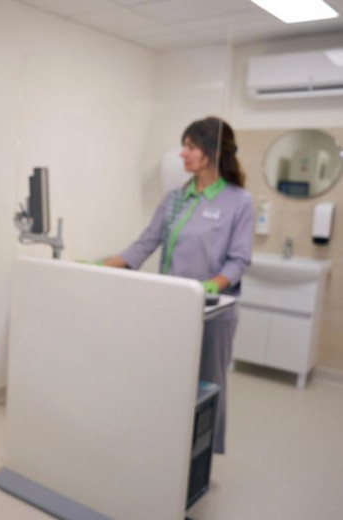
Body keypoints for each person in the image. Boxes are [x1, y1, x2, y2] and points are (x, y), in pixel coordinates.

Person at [103, 116, 253, 455]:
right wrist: (99, 265)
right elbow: (144, 244)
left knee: (207, 385)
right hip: (171, 309)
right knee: (167, 383)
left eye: (190, 147)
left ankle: (200, 458)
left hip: (212, 312)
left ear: (212, 152)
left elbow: (239, 260)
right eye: (183, 146)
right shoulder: (175, 199)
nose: (182, 154)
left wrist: (208, 288)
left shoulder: (238, 201)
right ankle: (165, 455)